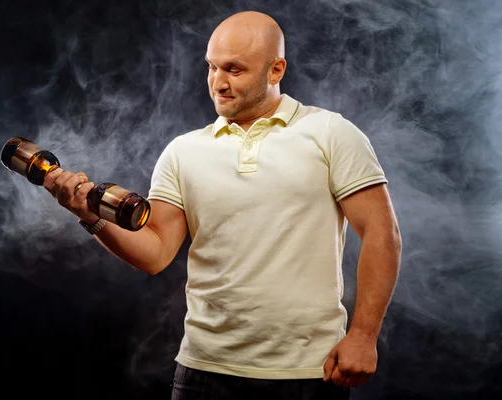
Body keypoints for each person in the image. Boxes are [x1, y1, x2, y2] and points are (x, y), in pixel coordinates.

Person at [43, 10, 402, 400]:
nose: (218, 82)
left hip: (307, 372)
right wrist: (89, 216)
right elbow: (156, 254)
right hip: (203, 371)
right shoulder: (183, 151)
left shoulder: (330, 133)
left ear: (276, 70)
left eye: (234, 69)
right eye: (211, 67)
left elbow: (382, 234)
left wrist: (364, 336)